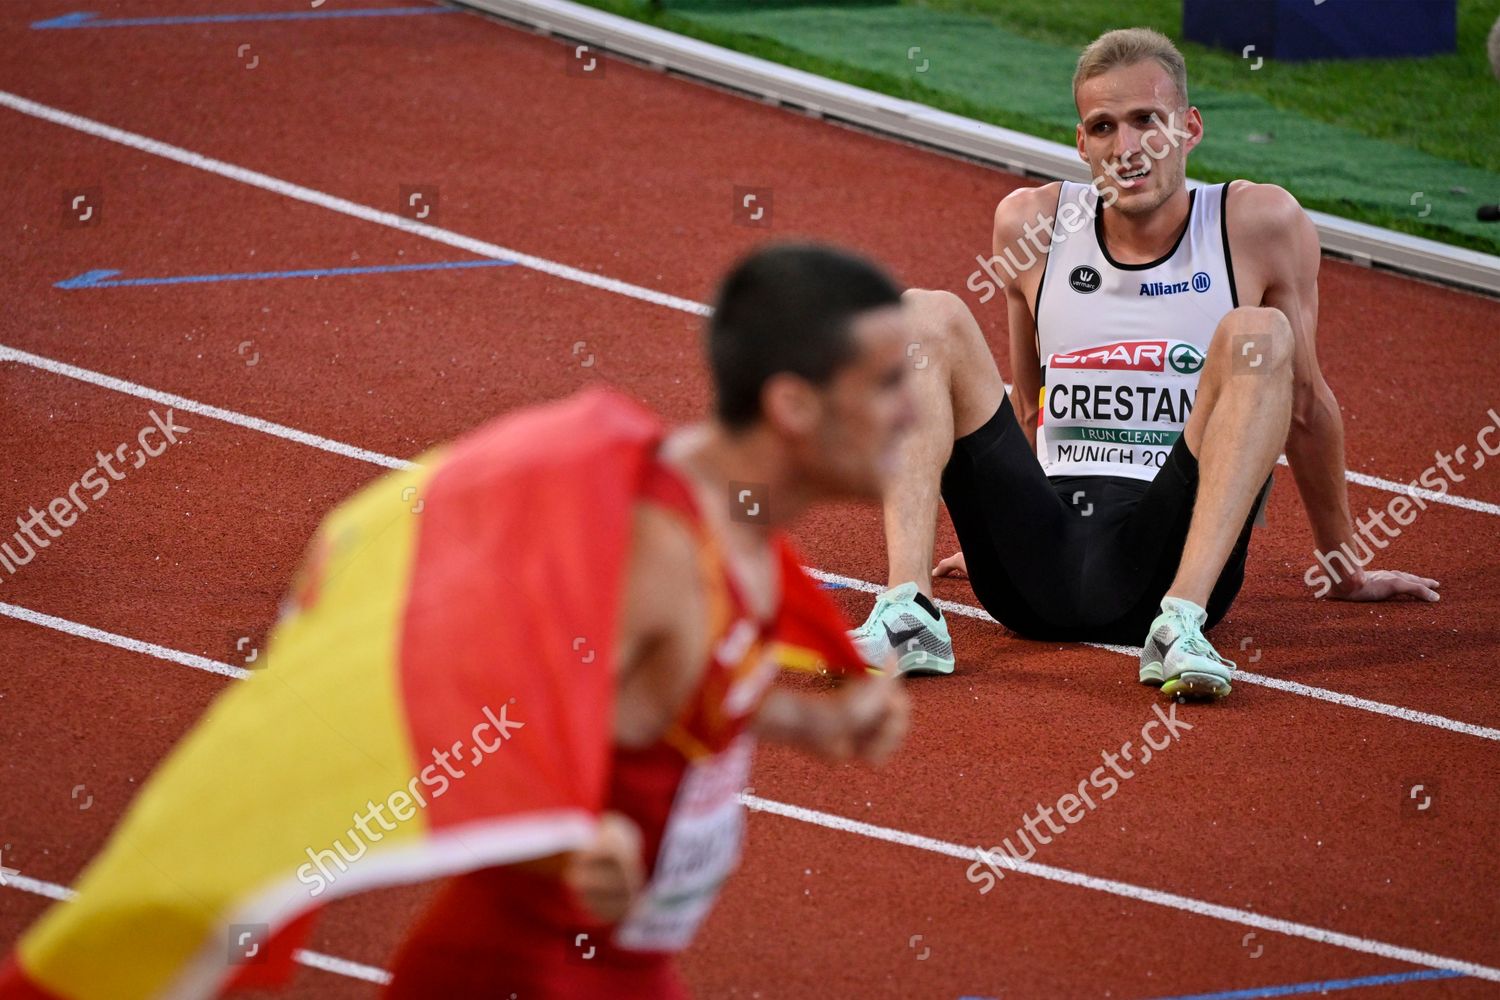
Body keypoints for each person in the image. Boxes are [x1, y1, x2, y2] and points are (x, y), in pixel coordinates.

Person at [0, 243, 913, 1000]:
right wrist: (565, 833)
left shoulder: (745, 535)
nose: (913, 410)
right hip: (520, 973)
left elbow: (662, 700)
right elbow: (500, 700)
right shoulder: (655, 551)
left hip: (627, 972)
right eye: (886, 384)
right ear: (793, 404)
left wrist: (811, 717)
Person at [850, 27, 1439, 698]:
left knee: (1260, 333)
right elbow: (1027, 400)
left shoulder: (1259, 223)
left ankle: (1180, 628)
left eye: (1145, 122)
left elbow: (1303, 405)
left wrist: (1341, 566)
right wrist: (997, 515)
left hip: (1163, 563)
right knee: (923, 314)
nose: (1125, 150)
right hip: (1032, 567)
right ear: (1080, 142)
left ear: (1188, 128)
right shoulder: (1031, 223)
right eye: (1102, 127)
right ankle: (908, 609)